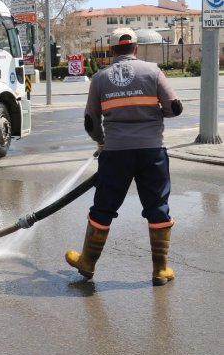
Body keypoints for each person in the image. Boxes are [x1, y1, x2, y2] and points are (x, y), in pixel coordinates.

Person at [66, 27, 183, 286]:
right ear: (136, 48)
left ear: (111, 50)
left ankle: (87, 263)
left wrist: (101, 140)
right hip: (152, 152)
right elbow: (174, 108)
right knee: (157, 206)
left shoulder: (99, 78)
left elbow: (90, 120)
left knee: (104, 206)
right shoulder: (152, 71)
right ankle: (160, 269)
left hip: (115, 153)